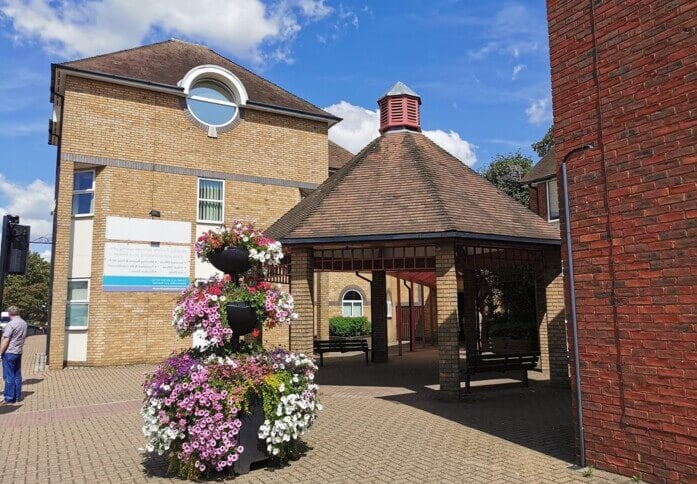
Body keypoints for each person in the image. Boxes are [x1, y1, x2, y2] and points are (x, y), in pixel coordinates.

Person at [0, 306, 28, 404]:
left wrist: (0, 353)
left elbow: (6, 340)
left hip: (9, 352)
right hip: (18, 351)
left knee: (8, 376)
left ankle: (9, 398)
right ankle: (17, 396)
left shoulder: (11, 324)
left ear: (9, 314)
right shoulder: (24, 323)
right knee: (17, 375)